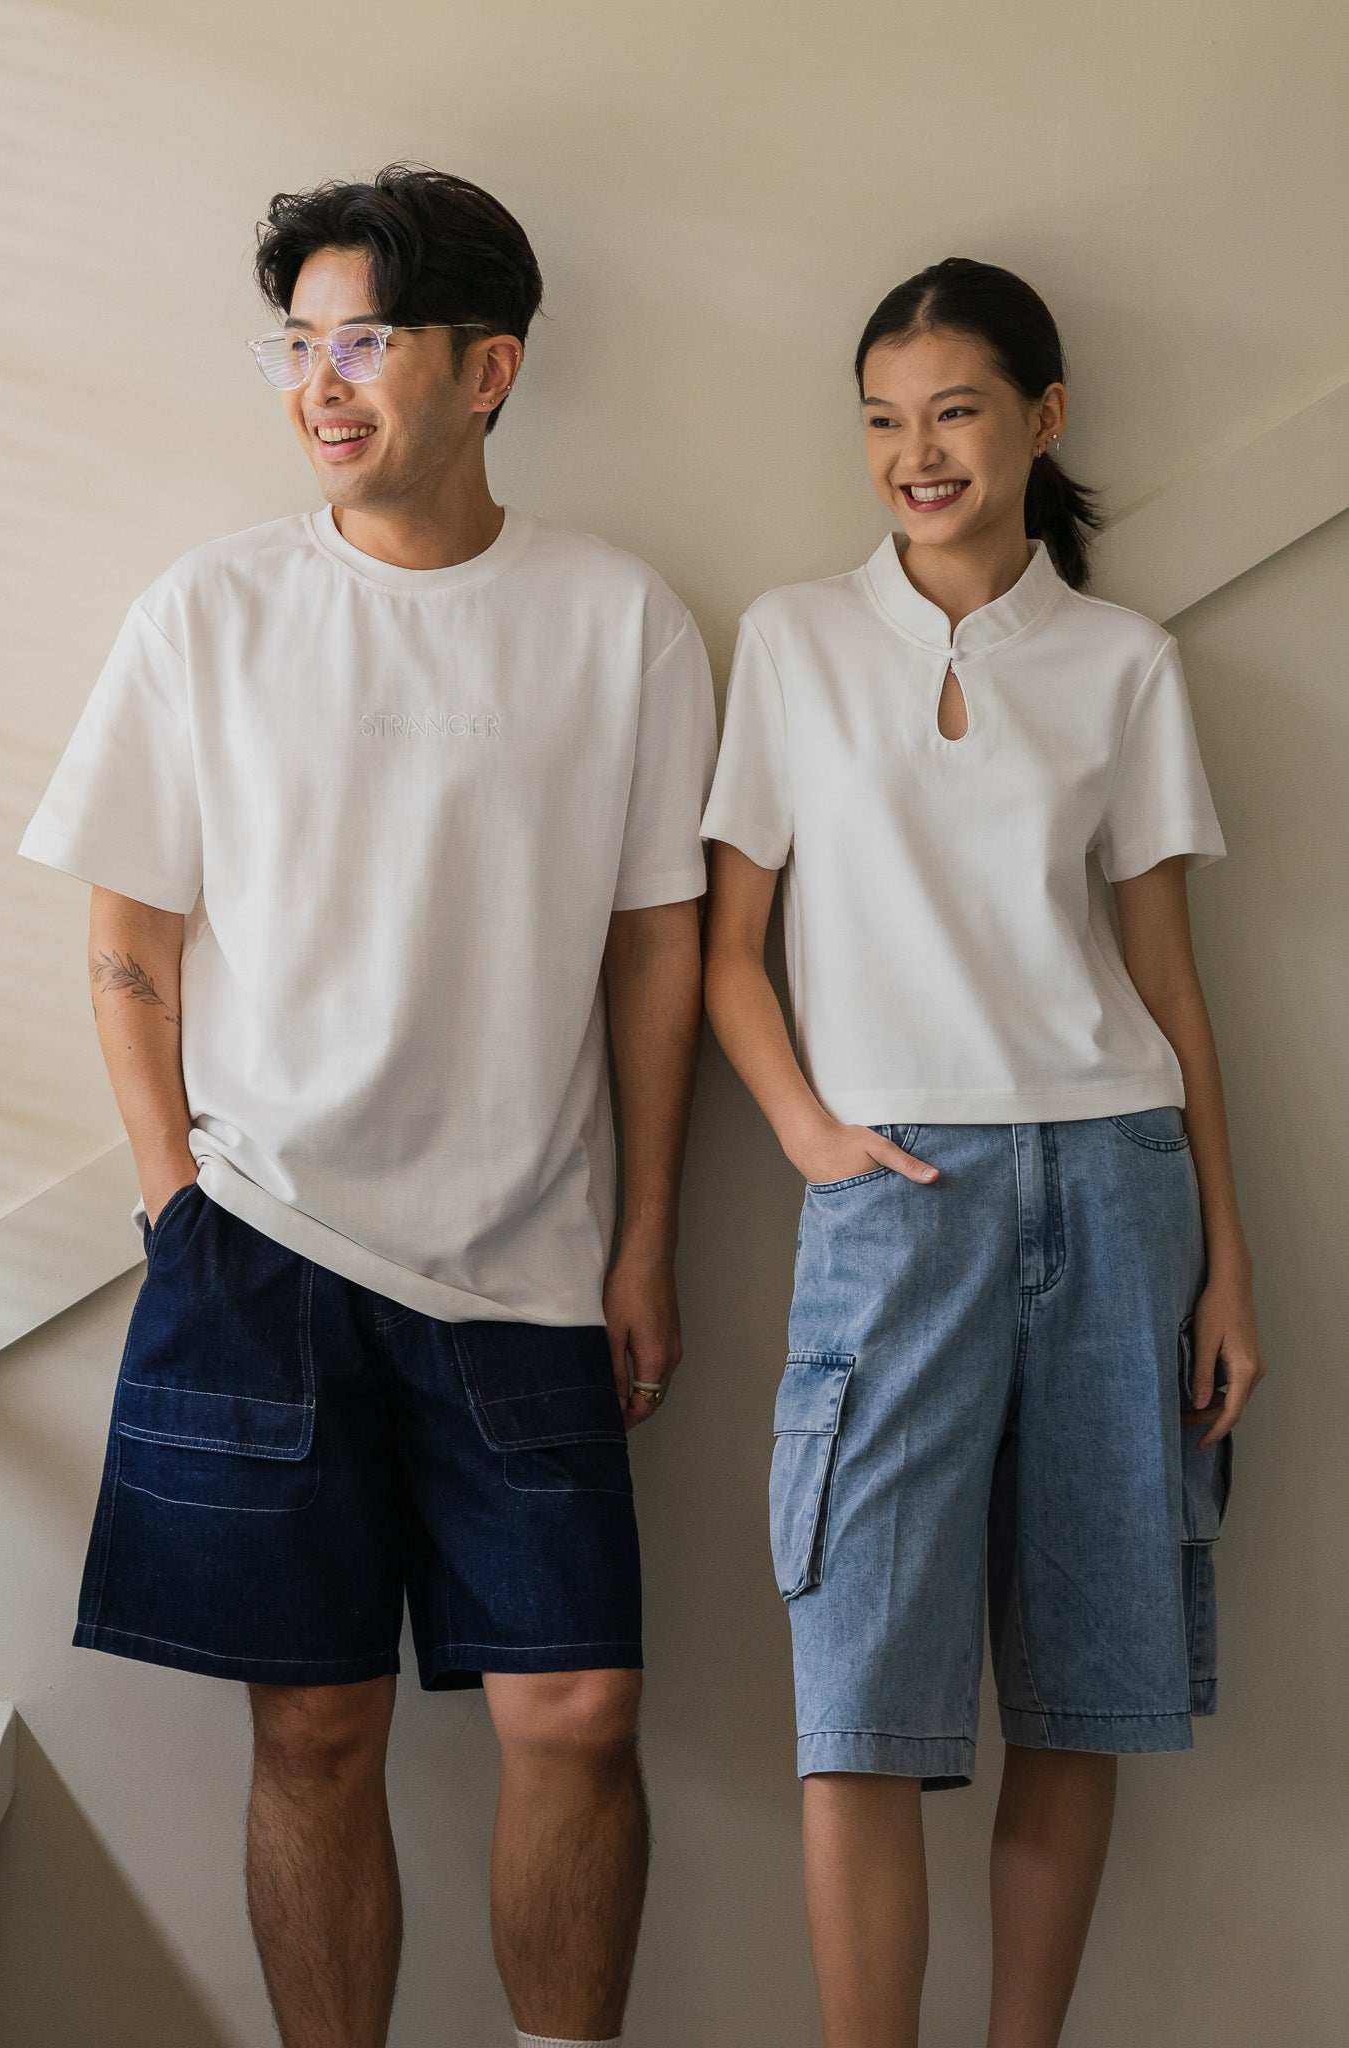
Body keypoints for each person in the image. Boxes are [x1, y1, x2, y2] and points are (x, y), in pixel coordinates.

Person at [18, 163, 717, 2048]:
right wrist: (172, 1200)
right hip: (259, 1249)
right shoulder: (213, 610)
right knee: (313, 1731)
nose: (319, 385)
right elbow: (127, 929)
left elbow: (655, 953)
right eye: (298, 345)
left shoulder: (620, 620)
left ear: (488, 370)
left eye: (365, 343)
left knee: (579, 1715)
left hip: (534, 1260)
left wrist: (649, 1234)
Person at [700, 256, 1267, 2048]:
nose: (916, 453)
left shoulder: (1122, 664)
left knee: (1079, 1699)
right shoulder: (792, 640)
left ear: (1041, 419)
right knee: (857, 1701)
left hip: (1115, 1186)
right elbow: (726, 953)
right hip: (894, 1199)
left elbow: (1165, 981)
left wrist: (1227, 1264)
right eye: (882, 420)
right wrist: (813, 1138)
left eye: (952, 411)